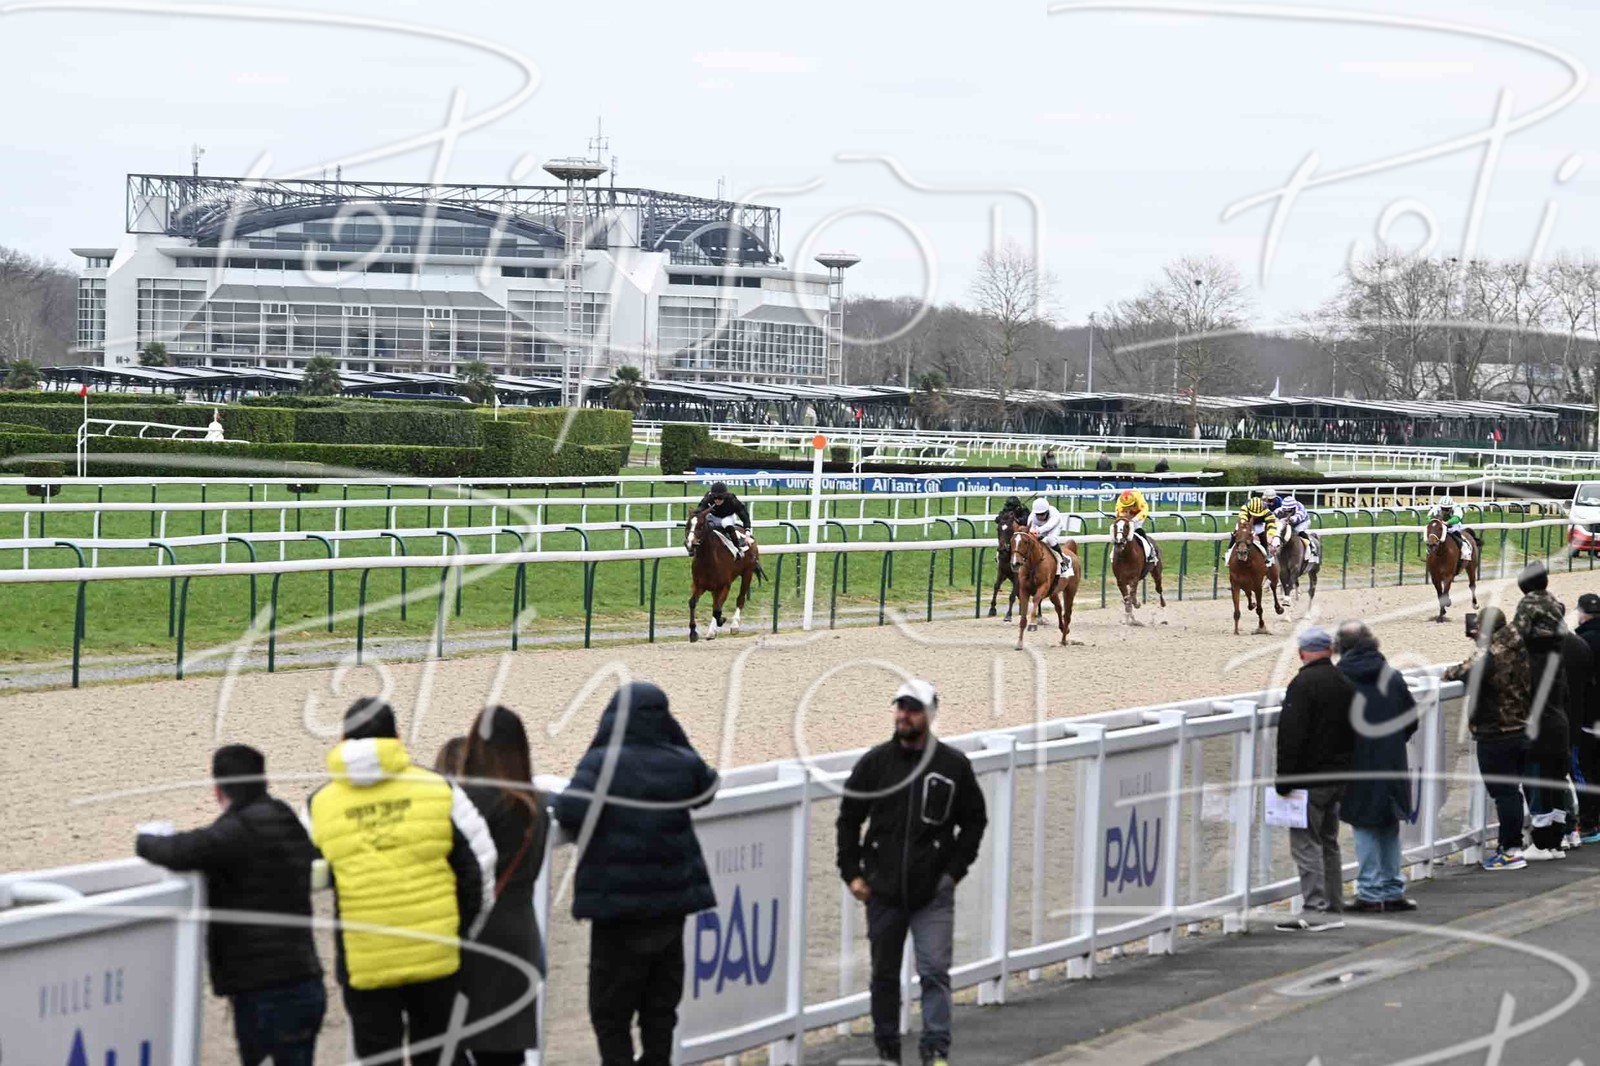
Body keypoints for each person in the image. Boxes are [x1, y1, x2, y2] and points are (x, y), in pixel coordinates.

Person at [307, 698, 497, 1066]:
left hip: (366, 961)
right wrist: (463, 931)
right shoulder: (438, 788)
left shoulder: (319, 804)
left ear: (343, 739)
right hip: (437, 952)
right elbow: (481, 865)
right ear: (396, 737)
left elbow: (300, 875)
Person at [553, 682, 718, 1066]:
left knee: (610, 1013)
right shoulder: (680, 763)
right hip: (670, 909)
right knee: (660, 1009)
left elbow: (570, 811)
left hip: (618, 912)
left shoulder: (602, 763)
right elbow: (708, 786)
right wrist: (677, 739)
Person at [136, 745, 325, 1066]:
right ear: (263, 780)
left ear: (218, 789)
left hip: (262, 990)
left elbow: (181, 851)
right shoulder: (284, 817)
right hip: (304, 979)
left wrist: (145, 839)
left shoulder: (237, 830)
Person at [836, 679, 988, 1066]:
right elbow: (849, 818)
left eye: (913, 709)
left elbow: (974, 820)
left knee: (934, 971)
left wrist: (953, 872)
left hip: (932, 892)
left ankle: (935, 1049)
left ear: (930, 715)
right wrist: (852, 873)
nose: (904, 715)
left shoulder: (952, 765)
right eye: (901, 707)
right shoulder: (875, 763)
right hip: (882, 890)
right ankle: (888, 1049)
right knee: (884, 975)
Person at [458, 706, 550, 1065]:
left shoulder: (467, 802)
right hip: (520, 931)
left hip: (478, 937)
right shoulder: (537, 803)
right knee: (508, 1054)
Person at [1273, 627, 1355, 931]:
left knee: (1306, 845)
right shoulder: (1344, 682)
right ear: (1330, 651)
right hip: (1338, 776)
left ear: (1302, 653)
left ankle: (1316, 909)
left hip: (1310, 778)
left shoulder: (1302, 684)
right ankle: (1333, 906)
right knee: (1329, 843)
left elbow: (1291, 736)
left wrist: (1284, 779)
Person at [1335, 623, 1419, 913]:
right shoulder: (1392, 677)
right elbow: (1411, 719)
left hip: (1357, 762)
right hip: (1391, 759)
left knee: (1364, 825)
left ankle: (1370, 892)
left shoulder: (1341, 679)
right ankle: (1392, 889)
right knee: (1388, 825)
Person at [1443, 607, 1532, 870]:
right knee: (1512, 792)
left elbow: (1462, 672)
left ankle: (1511, 850)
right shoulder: (1519, 646)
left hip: (1497, 732)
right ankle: (1511, 845)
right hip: (1521, 727)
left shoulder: (1491, 653)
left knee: (1505, 794)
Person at [1513, 563, 1573, 859]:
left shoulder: (1528, 605)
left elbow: (1514, 637)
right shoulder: (1555, 607)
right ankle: (1557, 840)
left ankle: (1542, 842)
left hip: (1540, 723)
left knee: (1537, 777)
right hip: (1560, 721)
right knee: (1557, 780)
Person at [1574, 592, 1600, 843]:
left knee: (1587, 768)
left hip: (1590, 714)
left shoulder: (1581, 641)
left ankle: (1589, 823)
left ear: (1582, 613)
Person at [694, 480, 753, 552]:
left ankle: (737, 547)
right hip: (713, 516)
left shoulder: (732, 500)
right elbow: (700, 509)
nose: (717, 500)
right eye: (714, 498)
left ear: (725, 496)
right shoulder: (708, 498)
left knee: (725, 523)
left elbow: (743, 513)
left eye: (720, 498)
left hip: (728, 517)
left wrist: (747, 529)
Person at [1268, 489, 1320, 566]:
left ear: (1294, 508)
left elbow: (1297, 518)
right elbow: (1272, 515)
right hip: (1288, 522)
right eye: (1285, 510)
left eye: (1289, 511)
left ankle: (1312, 548)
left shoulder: (1300, 508)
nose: (1286, 512)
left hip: (1302, 522)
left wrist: (1289, 519)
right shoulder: (1282, 509)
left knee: (1298, 531)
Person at [1428, 497, 1475, 562]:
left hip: (1454, 525)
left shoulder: (1456, 507)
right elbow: (1428, 517)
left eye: (1447, 509)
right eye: (1443, 509)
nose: (1444, 511)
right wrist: (1435, 521)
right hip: (1440, 525)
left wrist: (1447, 522)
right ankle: (1429, 550)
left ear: (1451, 507)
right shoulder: (1437, 507)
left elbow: (1456, 518)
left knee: (1457, 535)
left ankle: (1465, 551)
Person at [1113, 487, 1155, 559]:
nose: (1128, 507)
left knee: (1137, 528)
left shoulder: (1138, 498)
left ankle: (1150, 551)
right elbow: (1118, 514)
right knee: (1120, 530)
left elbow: (1144, 511)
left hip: (1138, 514)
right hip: (1125, 515)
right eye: (1126, 506)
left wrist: (1135, 519)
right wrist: (1125, 518)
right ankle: (1113, 553)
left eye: (1130, 506)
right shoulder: (1120, 501)